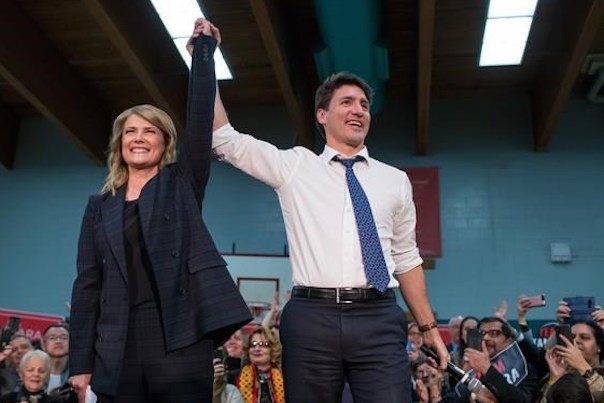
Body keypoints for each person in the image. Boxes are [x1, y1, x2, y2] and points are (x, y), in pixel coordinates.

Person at [198, 18, 448, 402]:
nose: (358, 110)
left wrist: (428, 326)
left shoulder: (394, 180)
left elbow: (405, 257)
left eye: (364, 104)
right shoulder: (296, 166)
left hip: (379, 317)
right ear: (322, 115)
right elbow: (225, 139)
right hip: (312, 318)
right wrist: (206, 62)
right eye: (346, 102)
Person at [68, 21, 251, 403]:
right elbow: (87, 286)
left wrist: (202, 56)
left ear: (165, 142)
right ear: (120, 144)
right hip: (117, 341)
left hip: (179, 333)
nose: (139, 138)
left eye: (149, 131)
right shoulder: (99, 207)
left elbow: (200, 124)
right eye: (130, 131)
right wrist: (81, 362)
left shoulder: (180, 183)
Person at [235, 326, 285, 403]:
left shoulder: (285, 378)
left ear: (272, 349)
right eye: (253, 345)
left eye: (263, 344)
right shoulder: (234, 377)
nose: (257, 349)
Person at [41, 324, 70, 393]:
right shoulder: (34, 374)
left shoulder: (77, 375)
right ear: (43, 344)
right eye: (52, 338)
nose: (58, 341)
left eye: (64, 338)